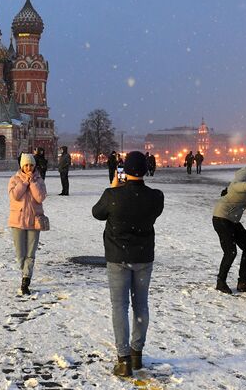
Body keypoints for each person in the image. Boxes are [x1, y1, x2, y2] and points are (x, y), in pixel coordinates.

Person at [92, 151, 164, 377]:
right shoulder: (155, 196)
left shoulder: (113, 195)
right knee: (141, 305)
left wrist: (115, 187)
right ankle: (137, 353)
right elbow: (154, 212)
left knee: (119, 307)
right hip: (143, 257)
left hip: (118, 257)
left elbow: (97, 213)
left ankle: (123, 359)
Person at [212, 159, 246, 294]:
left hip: (232, 219)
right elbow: (237, 186)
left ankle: (243, 282)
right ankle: (221, 282)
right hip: (222, 218)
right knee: (230, 251)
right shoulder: (244, 177)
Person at [8, 153, 48, 296]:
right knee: (20, 254)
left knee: (30, 253)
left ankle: (26, 279)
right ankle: (24, 270)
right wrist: (24, 182)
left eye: (31, 165)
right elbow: (15, 196)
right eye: (26, 165)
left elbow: (40, 197)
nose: (29, 168)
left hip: (33, 221)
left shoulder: (39, 180)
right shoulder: (14, 179)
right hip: (17, 221)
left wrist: (33, 183)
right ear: (22, 166)